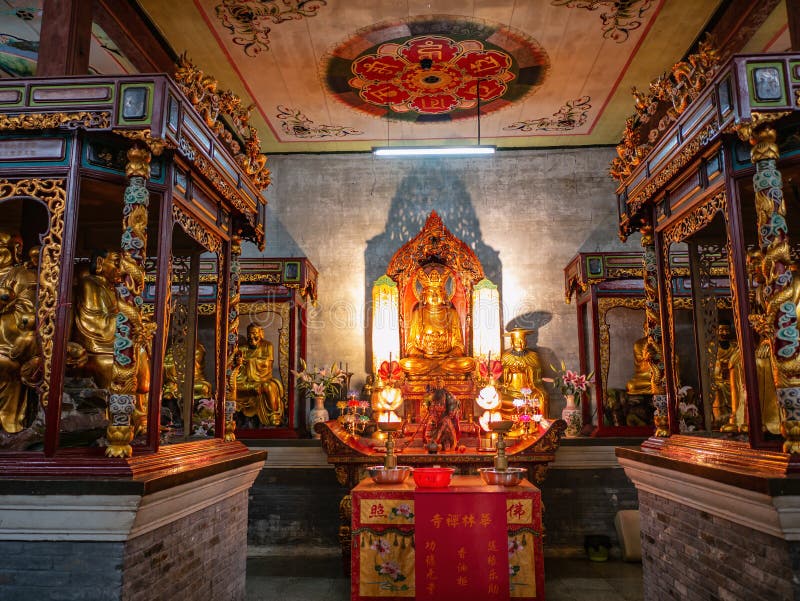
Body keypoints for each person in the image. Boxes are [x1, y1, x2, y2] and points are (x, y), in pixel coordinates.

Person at [399, 267, 475, 377]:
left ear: (444, 294)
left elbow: (458, 346)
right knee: (405, 363)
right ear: (424, 294)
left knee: (468, 362)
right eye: (431, 292)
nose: (434, 295)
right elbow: (411, 347)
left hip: (447, 360)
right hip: (425, 360)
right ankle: (436, 367)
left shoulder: (451, 314)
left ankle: (436, 367)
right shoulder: (418, 314)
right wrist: (425, 356)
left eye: (438, 291)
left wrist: (447, 356)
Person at [0, 230, 37, 433]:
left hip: (7, 342)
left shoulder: (22, 275)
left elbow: (27, 317)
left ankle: (9, 424)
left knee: (6, 365)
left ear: (15, 251)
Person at [72, 250, 122, 390]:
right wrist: (126, 320)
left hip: (113, 343)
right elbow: (94, 321)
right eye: (116, 262)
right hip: (98, 346)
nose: (121, 268)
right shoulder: (90, 283)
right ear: (100, 262)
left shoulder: (113, 290)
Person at [235, 323, 284, 426]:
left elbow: (266, 363)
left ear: (261, 334)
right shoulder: (243, 349)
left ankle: (274, 415)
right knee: (232, 387)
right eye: (249, 334)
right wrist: (239, 363)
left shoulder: (267, 346)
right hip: (245, 380)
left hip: (263, 379)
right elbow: (236, 369)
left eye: (254, 333)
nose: (251, 336)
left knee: (268, 387)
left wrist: (248, 361)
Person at [500, 328, 550, 419]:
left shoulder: (533, 355)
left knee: (542, 398)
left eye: (522, 340)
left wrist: (527, 369)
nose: (520, 343)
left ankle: (541, 426)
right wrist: (509, 370)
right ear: (511, 342)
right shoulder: (506, 356)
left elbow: (538, 372)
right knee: (499, 400)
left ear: (526, 341)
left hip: (529, 392)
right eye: (516, 341)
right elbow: (502, 378)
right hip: (511, 392)